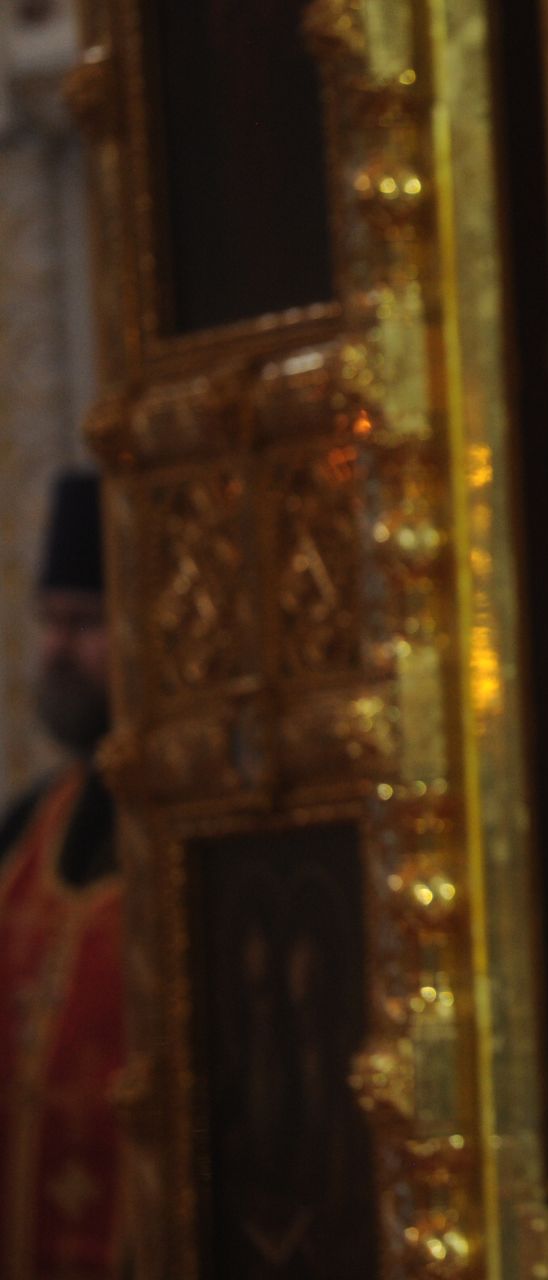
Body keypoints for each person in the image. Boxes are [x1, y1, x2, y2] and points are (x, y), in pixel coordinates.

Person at [0, 470, 124, 1278]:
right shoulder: (22, 831)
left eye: (82, 623)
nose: (55, 648)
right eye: (49, 622)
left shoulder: (191, 834)